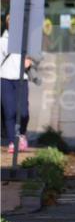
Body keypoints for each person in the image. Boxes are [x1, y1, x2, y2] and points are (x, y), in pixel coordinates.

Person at [1, 15, 33, 153]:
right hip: (4, 78)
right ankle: (12, 142)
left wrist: (30, 62)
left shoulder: (25, 41)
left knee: (24, 112)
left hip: (21, 78)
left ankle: (21, 134)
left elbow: (33, 57)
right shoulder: (2, 41)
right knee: (9, 112)